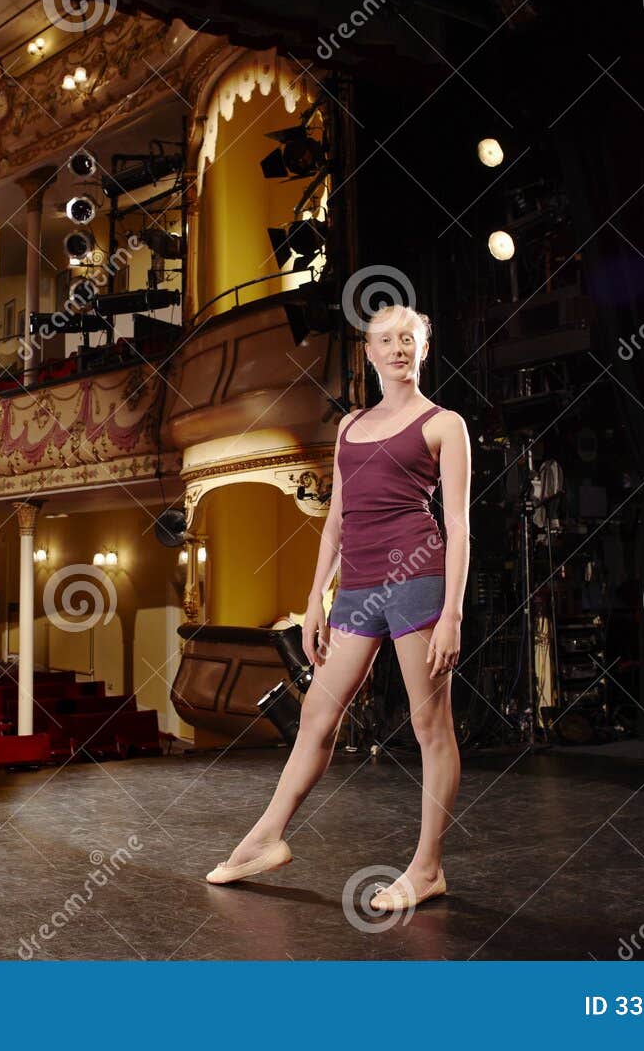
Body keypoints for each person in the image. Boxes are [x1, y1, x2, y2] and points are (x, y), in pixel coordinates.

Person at [204, 303, 471, 912]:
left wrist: (451, 612)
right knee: (317, 717)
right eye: (386, 340)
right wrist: (315, 600)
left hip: (416, 578)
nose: (398, 348)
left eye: (409, 338)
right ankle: (266, 837)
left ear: (421, 350)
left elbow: (456, 525)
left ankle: (427, 868)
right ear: (370, 353)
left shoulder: (443, 424)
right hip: (356, 588)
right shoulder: (350, 426)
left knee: (431, 729)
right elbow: (335, 522)